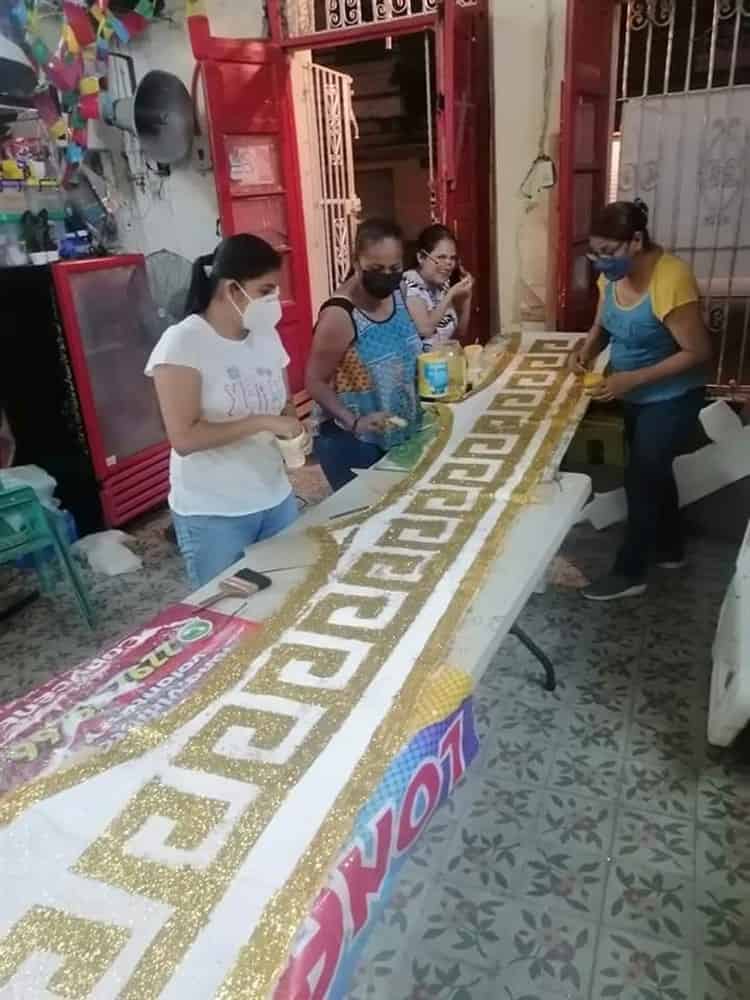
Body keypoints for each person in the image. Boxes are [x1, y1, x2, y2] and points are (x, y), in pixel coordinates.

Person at [145, 234, 308, 589]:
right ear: (233, 289)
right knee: (229, 614)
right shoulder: (183, 342)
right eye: (265, 291)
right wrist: (264, 422)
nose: (273, 301)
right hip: (215, 512)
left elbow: (283, 402)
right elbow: (184, 437)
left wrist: (291, 431)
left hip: (274, 497)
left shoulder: (265, 335)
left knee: (288, 593)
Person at [570, 199, 712, 601]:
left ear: (635, 241)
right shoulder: (612, 277)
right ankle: (670, 547)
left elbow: (697, 352)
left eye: (608, 252)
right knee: (653, 470)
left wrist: (633, 379)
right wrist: (586, 349)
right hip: (632, 391)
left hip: (672, 395)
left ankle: (630, 570)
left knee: (641, 475)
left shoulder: (671, 279)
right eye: (594, 253)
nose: (600, 262)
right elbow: (603, 325)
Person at [306, 218, 423, 491]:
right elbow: (315, 381)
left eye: (394, 267)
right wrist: (353, 421)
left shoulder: (399, 292)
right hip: (355, 443)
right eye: (376, 268)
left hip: (399, 431)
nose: (387, 275)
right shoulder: (340, 315)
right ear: (357, 263)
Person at [401, 223, 474, 350]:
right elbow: (426, 330)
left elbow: (460, 333)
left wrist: (467, 297)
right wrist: (450, 295)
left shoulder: (443, 285)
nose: (448, 264)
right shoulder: (410, 285)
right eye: (441, 257)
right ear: (421, 257)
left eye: (452, 258)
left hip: (444, 363)